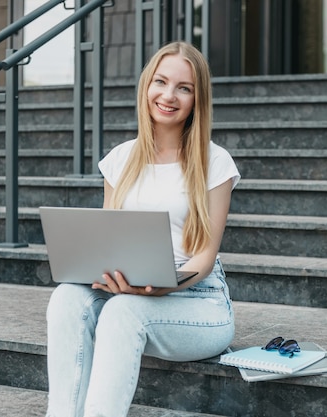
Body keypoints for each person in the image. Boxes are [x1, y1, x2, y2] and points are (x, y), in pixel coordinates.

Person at [45, 41, 240, 417]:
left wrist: (164, 284)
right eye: (161, 82)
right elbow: (108, 239)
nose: (169, 95)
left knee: (123, 314)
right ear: (146, 85)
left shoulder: (215, 162)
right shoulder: (119, 160)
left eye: (184, 88)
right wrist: (106, 275)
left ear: (197, 99)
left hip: (198, 300)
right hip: (128, 293)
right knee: (66, 298)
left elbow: (205, 256)